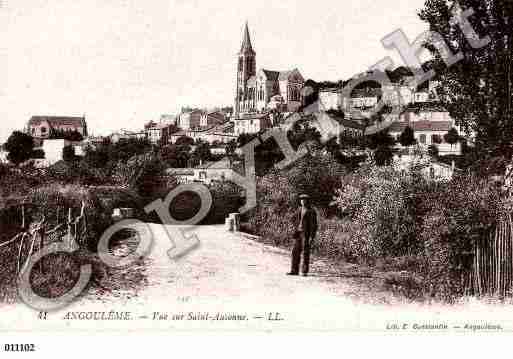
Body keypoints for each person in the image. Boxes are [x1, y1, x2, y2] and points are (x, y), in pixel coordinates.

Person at [287, 194, 318, 277]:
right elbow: (294, 219)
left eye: (304, 200)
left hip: (306, 234)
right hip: (298, 233)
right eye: (301, 200)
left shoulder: (311, 211)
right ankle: (294, 270)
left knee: (305, 253)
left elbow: (313, 225)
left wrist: (312, 236)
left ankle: (304, 271)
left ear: (307, 201)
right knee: (295, 252)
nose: (303, 201)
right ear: (300, 201)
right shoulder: (299, 209)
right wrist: (295, 227)